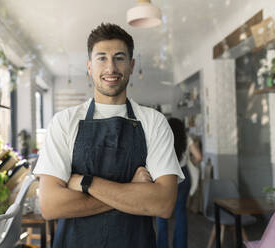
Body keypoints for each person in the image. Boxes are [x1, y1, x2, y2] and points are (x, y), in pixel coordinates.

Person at [34, 23, 184, 248]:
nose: (111, 67)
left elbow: (163, 203)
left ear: (132, 65)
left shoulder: (154, 122)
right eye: (101, 58)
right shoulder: (64, 122)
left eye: (119, 58)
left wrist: (86, 182)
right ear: (89, 66)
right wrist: (131, 190)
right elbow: (50, 205)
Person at [156, 118, 202, 248]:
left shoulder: (162, 136)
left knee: (161, 213)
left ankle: (162, 245)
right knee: (180, 212)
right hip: (183, 174)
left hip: (165, 175)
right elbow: (198, 157)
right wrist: (191, 163)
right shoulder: (186, 138)